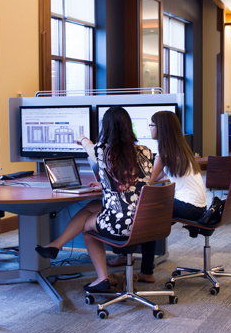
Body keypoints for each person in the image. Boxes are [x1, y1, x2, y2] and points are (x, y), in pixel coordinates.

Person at [36, 106, 154, 292]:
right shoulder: (146, 151)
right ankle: (55, 245)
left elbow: (90, 147)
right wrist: (106, 185)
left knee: (87, 228)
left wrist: (82, 139)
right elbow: (132, 180)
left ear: (106, 128)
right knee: (92, 205)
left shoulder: (103, 150)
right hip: (145, 220)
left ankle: (102, 278)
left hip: (123, 224)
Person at [136, 110, 207, 283]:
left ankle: (145, 271)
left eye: (151, 125)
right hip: (200, 206)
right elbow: (163, 176)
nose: (150, 128)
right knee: (151, 216)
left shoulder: (163, 152)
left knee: (147, 220)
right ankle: (137, 263)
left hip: (187, 205)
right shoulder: (180, 149)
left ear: (160, 128)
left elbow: (148, 181)